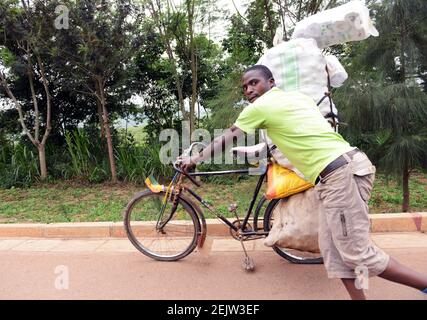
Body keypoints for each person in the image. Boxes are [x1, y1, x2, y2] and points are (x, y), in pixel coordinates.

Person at [180, 64, 427, 300]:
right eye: (244, 87)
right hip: (341, 170)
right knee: (334, 252)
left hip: (339, 174)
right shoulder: (297, 98)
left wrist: (196, 158)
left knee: (358, 253)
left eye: (254, 83)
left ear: (271, 82)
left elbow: (228, 137)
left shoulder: (261, 106)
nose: (248, 90)